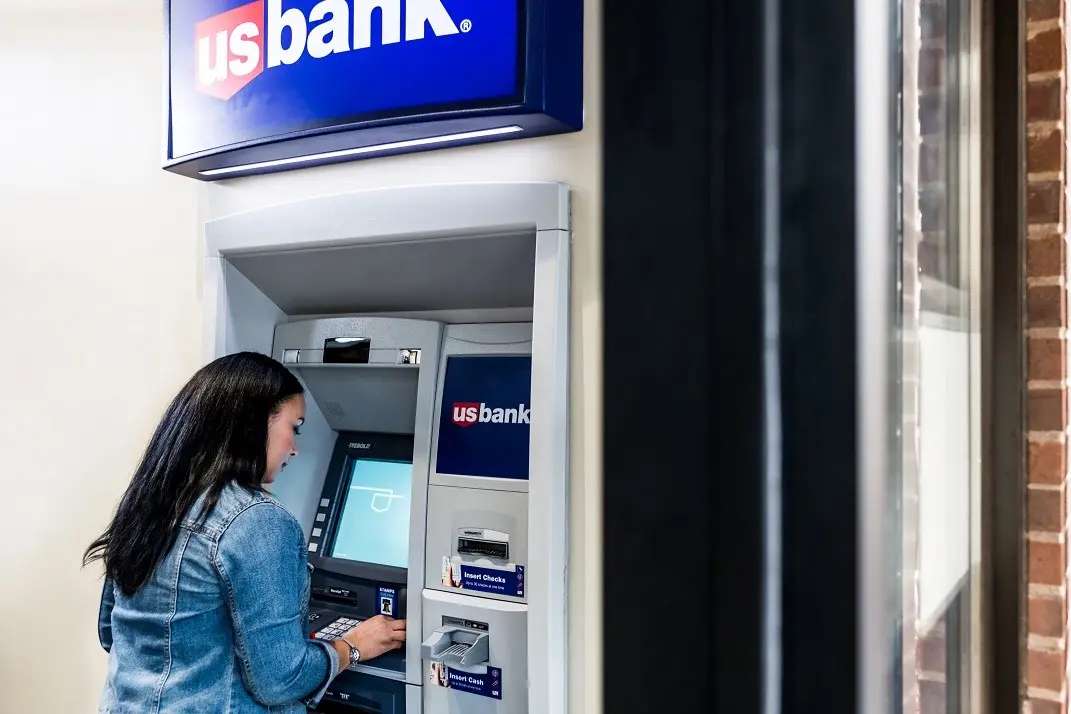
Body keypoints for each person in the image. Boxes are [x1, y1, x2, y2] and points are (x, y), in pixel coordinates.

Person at [83, 352, 406, 712]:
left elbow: (111, 633)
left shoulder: (151, 500)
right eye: (294, 428)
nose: (295, 449)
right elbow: (281, 680)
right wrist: (354, 644)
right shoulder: (256, 520)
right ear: (253, 423)